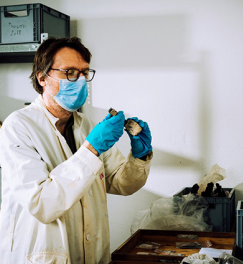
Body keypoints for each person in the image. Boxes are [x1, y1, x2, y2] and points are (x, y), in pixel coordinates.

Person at [0, 37, 153, 264]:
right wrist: (91, 149)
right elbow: (42, 203)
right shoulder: (18, 126)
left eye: (84, 73)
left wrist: (139, 157)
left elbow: (121, 183)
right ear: (42, 77)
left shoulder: (87, 126)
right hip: (40, 256)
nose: (80, 80)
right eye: (70, 72)